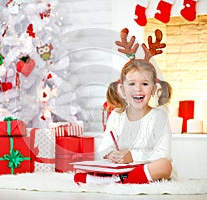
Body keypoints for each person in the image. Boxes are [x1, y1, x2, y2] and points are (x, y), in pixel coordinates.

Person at [74, 28, 174, 185]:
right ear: (122, 89)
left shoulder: (159, 116)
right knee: (90, 166)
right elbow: (105, 146)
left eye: (145, 84)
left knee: (165, 165)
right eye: (132, 84)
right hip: (122, 168)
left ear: (154, 89)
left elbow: (163, 153)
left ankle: (117, 182)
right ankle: (117, 178)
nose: (138, 89)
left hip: (147, 169)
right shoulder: (117, 115)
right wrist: (111, 155)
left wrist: (133, 157)